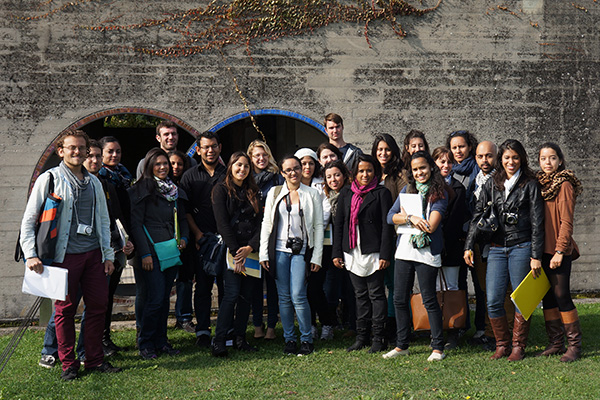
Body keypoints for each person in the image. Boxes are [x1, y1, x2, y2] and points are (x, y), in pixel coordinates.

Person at [20, 130, 120, 380]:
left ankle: (94, 360)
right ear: (61, 151)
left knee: (98, 306)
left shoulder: (95, 182)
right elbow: (30, 218)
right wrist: (31, 253)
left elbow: (104, 220)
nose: (77, 152)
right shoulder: (50, 178)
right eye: (71, 148)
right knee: (64, 310)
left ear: (87, 151)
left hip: (94, 256)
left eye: (81, 148)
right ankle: (68, 364)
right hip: (64, 256)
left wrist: (108, 255)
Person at [464, 139, 544, 361]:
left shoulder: (530, 184)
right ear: (501, 159)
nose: (511, 161)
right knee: (493, 299)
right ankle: (502, 344)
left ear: (522, 159)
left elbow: (538, 223)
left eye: (515, 157)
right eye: (507, 157)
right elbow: (477, 215)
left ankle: (518, 345)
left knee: (521, 298)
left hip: (522, 245)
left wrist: (536, 256)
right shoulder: (492, 183)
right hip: (497, 247)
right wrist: (469, 246)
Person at [384, 151, 448, 361]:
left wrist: (407, 218)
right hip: (404, 250)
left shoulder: (439, 192)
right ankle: (402, 345)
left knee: (429, 299)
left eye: (423, 167)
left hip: (427, 252)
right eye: (415, 169)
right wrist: (410, 217)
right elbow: (390, 217)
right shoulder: (407, 190)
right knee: (400, 298)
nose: (420, 172)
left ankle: (438, 347)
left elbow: (431, 225)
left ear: (431, 167)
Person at [259, 155, 324, 356]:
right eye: (288, 170)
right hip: (278, 250)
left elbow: (319, 226)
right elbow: (267, 224)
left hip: (301, 251)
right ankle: (289, 339)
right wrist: (263, 253)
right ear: (282, 172)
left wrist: (317, 257)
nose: (293, 172)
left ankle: (306, 338)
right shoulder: (274, 192)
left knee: (298, 295)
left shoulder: (312, 193)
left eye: (297, 168)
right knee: (284, 297)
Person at [128, 148, 189, 359]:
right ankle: (146, 342)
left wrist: (184, 238)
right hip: (150, 252)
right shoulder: (140, 190)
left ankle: (162, 342)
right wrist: (144, 254)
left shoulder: (174, 190)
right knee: (153, 299)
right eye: (158, 164)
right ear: (149, 166)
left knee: (163, 299)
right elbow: (136, 225)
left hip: (170, 250)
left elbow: (182, 218)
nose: (163, 167)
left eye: (166, 164)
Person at [332, 154, 394, 353]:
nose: (365, 174)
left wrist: (385, 254)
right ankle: (362, 337)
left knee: (376, 295)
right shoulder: (346, 193)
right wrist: (337, 253)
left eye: (369, 170)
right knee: (360, 296)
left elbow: (386, 226)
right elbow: (339, 224)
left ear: (375, 171)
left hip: (374, 251)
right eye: (361, 171)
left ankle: (379, 338)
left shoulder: (381, 193)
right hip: (352, 251)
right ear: (353, 173)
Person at [211, 152, 263, 357]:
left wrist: (251, 247)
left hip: (251, 250)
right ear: (231, 166)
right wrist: (236, 255)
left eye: (246, 166)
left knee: (246, 297)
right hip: (232, 250)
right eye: (238, 165)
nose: (242, 169)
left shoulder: (253, 190)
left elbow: (261, 222)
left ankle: (240, 339)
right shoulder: (220, 190)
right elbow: (222, 224)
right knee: (231, 295)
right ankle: (220, 340)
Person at [179, 131, 227, 348]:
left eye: (214, 146)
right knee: (203, 288)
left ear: (219, 147)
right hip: (201, 240)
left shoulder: (228, 173)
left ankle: (227, 329)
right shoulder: (189, 176)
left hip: (226, 239)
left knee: (228, 287)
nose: (210, 150)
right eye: (206, 147)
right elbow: (185, 210)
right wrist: (197, 235)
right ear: (198, 150)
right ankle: (203, 330)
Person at [537, 143, 583, 362]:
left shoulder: (564, 184)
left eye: (552, 158)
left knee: (562, 294)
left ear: (560, 160)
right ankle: (556, 342)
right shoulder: (539, 184)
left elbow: (566, 222)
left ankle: (574, 345)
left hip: (558, 250)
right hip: (541, 250)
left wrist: (559, 251)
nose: (548, 163)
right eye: (544, 158)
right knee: (547, 296)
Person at [468, 140, 512, 351]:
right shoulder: (473, 180)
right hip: (479, 243)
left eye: (489, 156)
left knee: (504, 291)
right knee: (488, 291)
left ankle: (506, 335)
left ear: (497, 156)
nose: (484, 160)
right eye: (480, 156)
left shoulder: (505, 180)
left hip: (501, 243)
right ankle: (489, 332)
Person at [446, 130, 485, 341]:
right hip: (456, 237)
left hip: (477, 236)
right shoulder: (447, 171)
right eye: (454, 147)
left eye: (461, 146)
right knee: (458, 285)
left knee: (480, 285)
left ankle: (482, 327)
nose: (458, 151)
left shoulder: (479, 170)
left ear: (470, 147)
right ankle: (460, 325)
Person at [295, 148, 336, 341]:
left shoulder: (321, 185)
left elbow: (326, 210)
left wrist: (314, 226)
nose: (307, 167)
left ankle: (327, 323)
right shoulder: (292, 186)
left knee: (316, 286)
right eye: (303, 163)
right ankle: (310, 324)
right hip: (298, 243)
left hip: (321, 242)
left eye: (311, 163)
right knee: (302, 287)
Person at [371, 134, 407, 341]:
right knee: (377, 283)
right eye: (379, 150)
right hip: (373, 237)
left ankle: (395, 325)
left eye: (387, 150)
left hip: (394, 235)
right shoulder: (371, 173)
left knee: (393, 284)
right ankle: (379, 324)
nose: (383, 154)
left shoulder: (400, 175)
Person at [432, 146, 468, 349]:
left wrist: (443, 244)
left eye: (449, 162)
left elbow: (454, 223)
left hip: (451, 248)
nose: (445, 165)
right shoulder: (427, 186)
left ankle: (453, 331)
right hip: (429, 247)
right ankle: (436, 330)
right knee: (434, 290)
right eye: (441, 161)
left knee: (452, 288)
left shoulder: (458, 188)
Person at [247, 140, 282, 340]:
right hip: (252, 237)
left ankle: (271, 327)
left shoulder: (277, 179)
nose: (261, 159)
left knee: (272, 283)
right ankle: (257, 325)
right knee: (255, 285)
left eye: (264, 155)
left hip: (272, 236)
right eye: (257, 156)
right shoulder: (246, 178)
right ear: (251, 158)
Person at [321, 160, 356, 338]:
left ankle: (352, 325)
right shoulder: (326, 196)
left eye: (336, 175)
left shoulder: (350, 194)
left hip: (348, 247)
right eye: (329, 177)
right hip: (330, 249)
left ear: (344, 175)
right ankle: (332, 323)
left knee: (351, 289)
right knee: (331, 288)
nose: (333, 179)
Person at [168, 150, 196, 333]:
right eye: (172, 164)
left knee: (185, 280)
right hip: (165, 241)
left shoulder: (187, 185)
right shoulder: (160, 185)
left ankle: (184, 317)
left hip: (186, 240)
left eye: (179, 164)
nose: (175, 167)